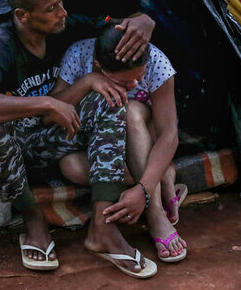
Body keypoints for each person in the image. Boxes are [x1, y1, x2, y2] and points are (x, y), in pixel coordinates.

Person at [0, 0, 160, 278]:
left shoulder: (66, 26)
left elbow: (121, 25)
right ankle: (33, 218)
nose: (62, 12)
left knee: (110, 96)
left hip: (47, 142)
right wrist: (46, 102)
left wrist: (144, 19)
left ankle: (103, 227)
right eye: (52, 8)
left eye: (61, 2)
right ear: (23, 15)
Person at [52, 26, 187, 263]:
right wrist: (87, 82)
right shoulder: (78, 56)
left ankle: (154, 212)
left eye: (139, 77)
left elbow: (169, 134)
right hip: (107, 150)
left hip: (144, 136)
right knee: (70, 166)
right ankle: (162, 174)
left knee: (131, 109)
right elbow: (50, 108)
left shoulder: (157, 62)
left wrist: (143, 191)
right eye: (125, 81)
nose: (135, 84)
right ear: (98, 67)